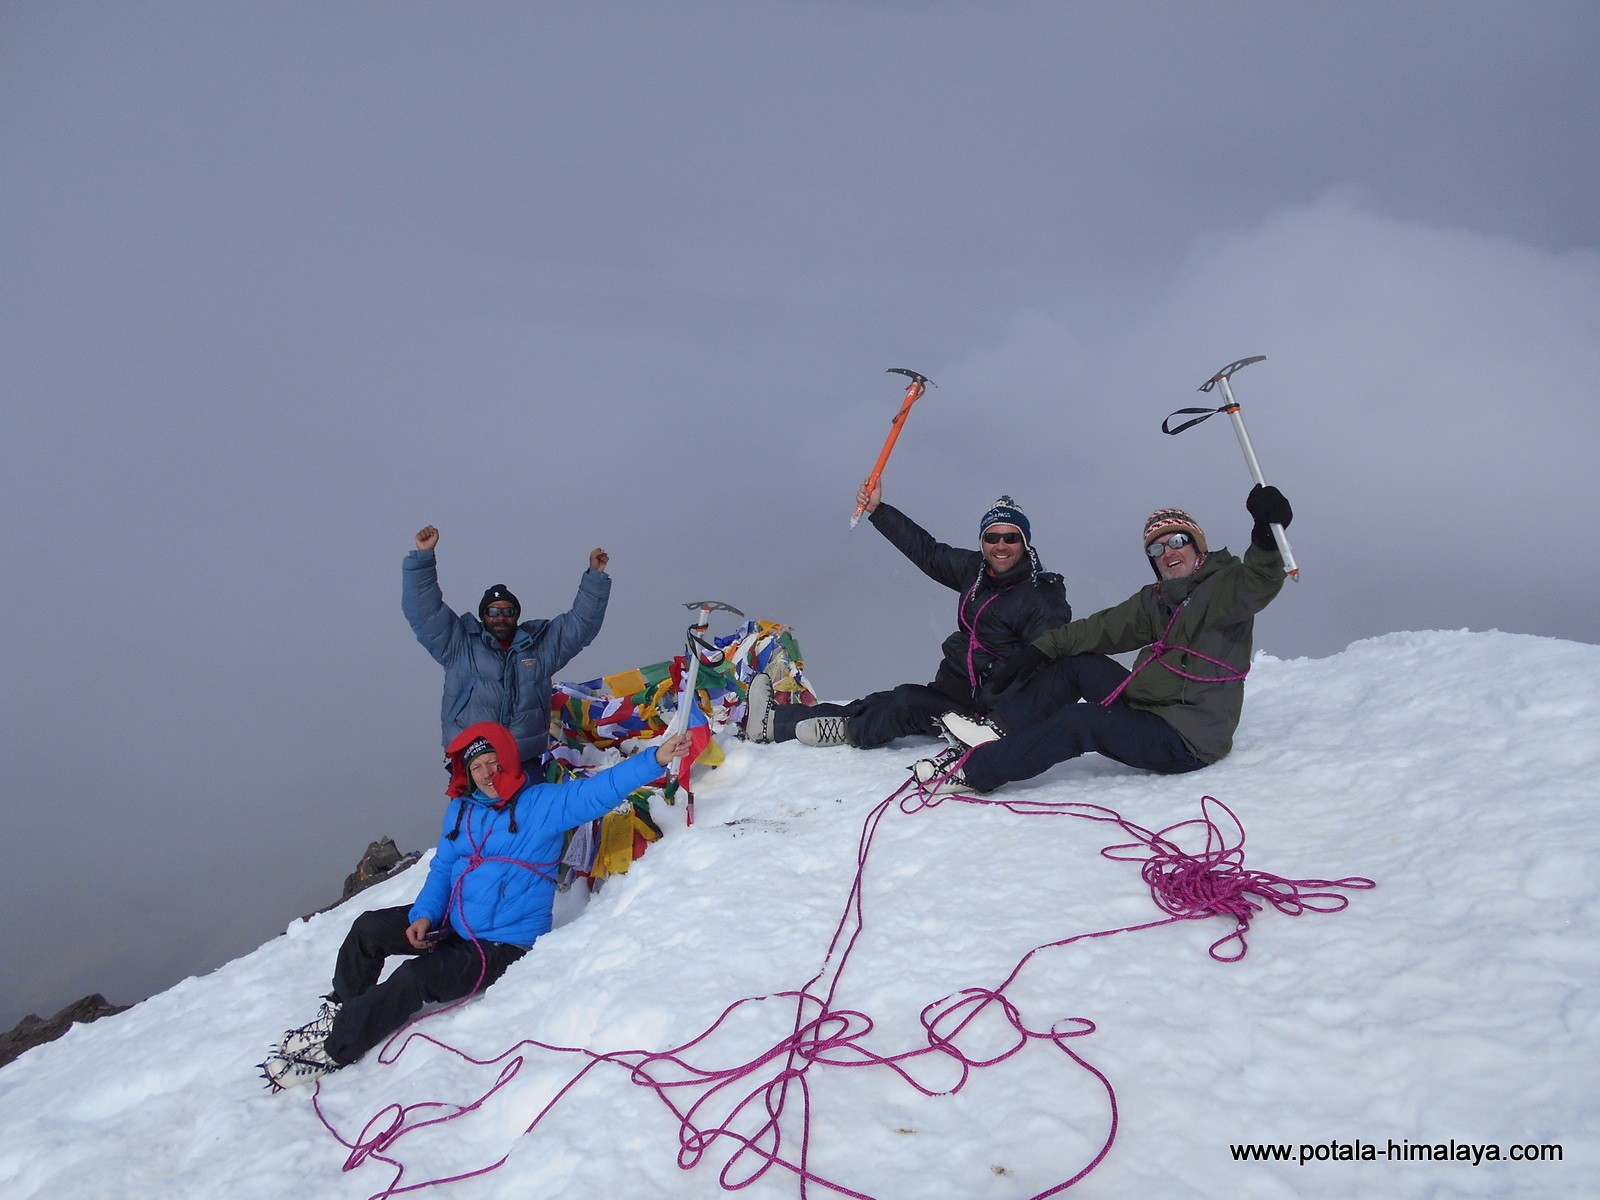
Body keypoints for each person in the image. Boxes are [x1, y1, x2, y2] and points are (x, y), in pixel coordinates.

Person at [261, 721, 693, 1090]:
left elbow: (598, 792)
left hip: (500, 944)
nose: (487, 773)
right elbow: (444, 868)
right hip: (452, 920)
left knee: (414, 978)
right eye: (477, 766)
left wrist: (654, 759)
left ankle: (338, 1045)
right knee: (369, 928)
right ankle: (342, 1005)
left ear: (507, 762)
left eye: (493, 763)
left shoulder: (541, 804)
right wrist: (425, 915)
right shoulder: (461, 810)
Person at [913, 484, 1293, 793]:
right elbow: (1100, 629)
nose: (1168, 553)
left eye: (1177, 541)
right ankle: (996, 729)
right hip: (1151, 707)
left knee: (1081, 721)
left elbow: (1258, 580)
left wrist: (1265, 536)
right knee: (1076, 664)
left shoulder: (1225, 589)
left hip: (1185, 737)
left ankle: (974, 772)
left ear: (1198, 546)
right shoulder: (1158, 598)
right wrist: (1038, 650)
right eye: (1156, 549)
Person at [745, 483, 1106, 749]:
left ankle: (848, 732)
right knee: (885, 701)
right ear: (982, 540)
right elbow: (928, 552)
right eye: (992, 536)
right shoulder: (976, 570)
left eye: (1010, 538)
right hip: (955, 688)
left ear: (1024, 542)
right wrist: (878, 510)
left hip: (988, 711)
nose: (1000, 545)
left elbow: (1048, 663)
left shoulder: (1040, 597)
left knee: (902, 705)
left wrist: (1004, 718)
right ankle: (776, 724)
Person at [403, 525, 611, 774]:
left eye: (508, 611)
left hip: (524, 762)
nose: (500, 617)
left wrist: (595, 578)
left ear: (516, 616)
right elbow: (424, 612)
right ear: (483, 615)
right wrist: (424, 558)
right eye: (493, 611)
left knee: (527, 814)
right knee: (476, 815)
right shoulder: (458, 645)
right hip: (473, 761)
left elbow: (580, 626)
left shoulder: (540, 648)